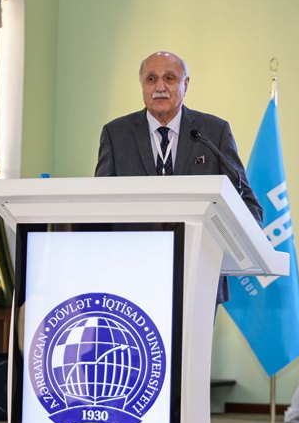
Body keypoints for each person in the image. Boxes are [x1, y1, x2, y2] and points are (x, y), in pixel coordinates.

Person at [95, 51, 262, 303]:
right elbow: (99, 206)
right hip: (133, 276)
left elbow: (246, 202)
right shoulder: (116, 134)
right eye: (151, 79)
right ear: (142, 85)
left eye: (170, 78)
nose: (160, 87)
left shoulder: (213, 132)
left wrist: (235, 240)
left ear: (186, 84)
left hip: (200, 276)